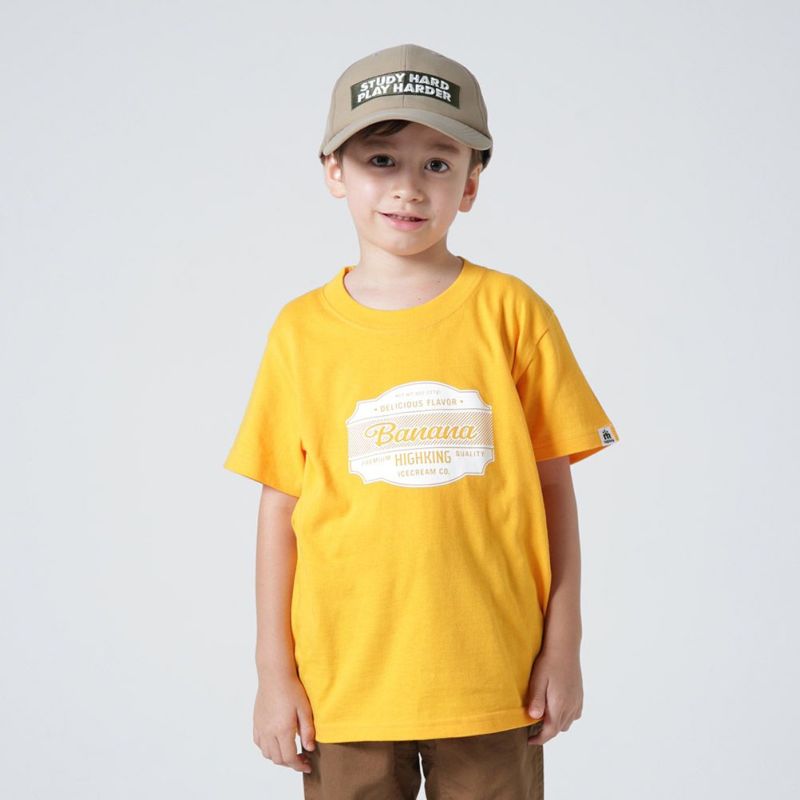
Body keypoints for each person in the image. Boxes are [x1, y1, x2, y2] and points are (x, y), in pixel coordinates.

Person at [223, 42, 620, 799]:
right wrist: (274, 674)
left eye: (437, 163)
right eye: (381, 160)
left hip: (494, 676)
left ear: (470, 183)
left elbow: (553, 489)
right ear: (334, 171)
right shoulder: (301, 331)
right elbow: (280, 508)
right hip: (345, 685)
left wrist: (564, 644)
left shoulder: (512, 313)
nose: (408, 187)